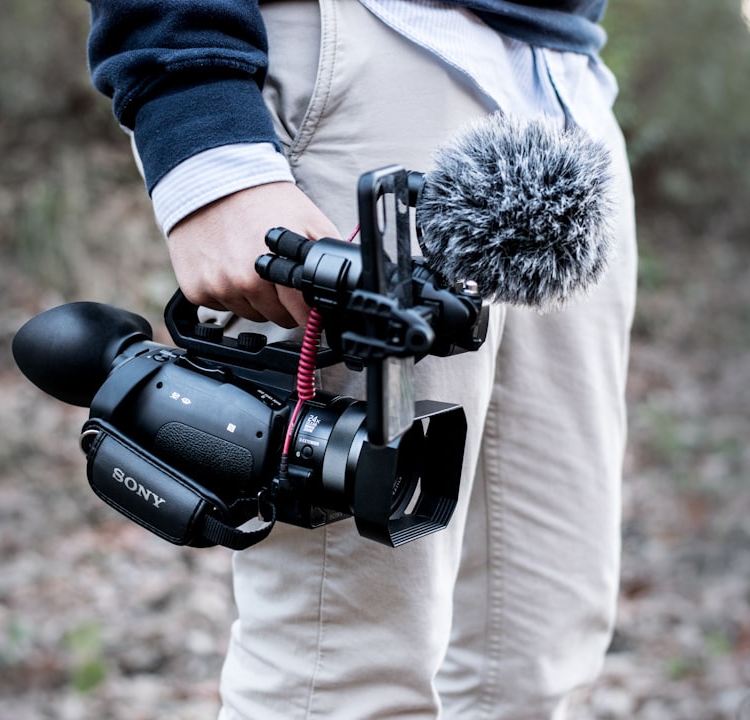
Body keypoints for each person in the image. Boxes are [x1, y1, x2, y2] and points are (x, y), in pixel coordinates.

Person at [86, 1, 637, 718]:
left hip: (565, 97)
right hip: (363, 47)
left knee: (538, 659)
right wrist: (200, 130)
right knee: (343, 670)